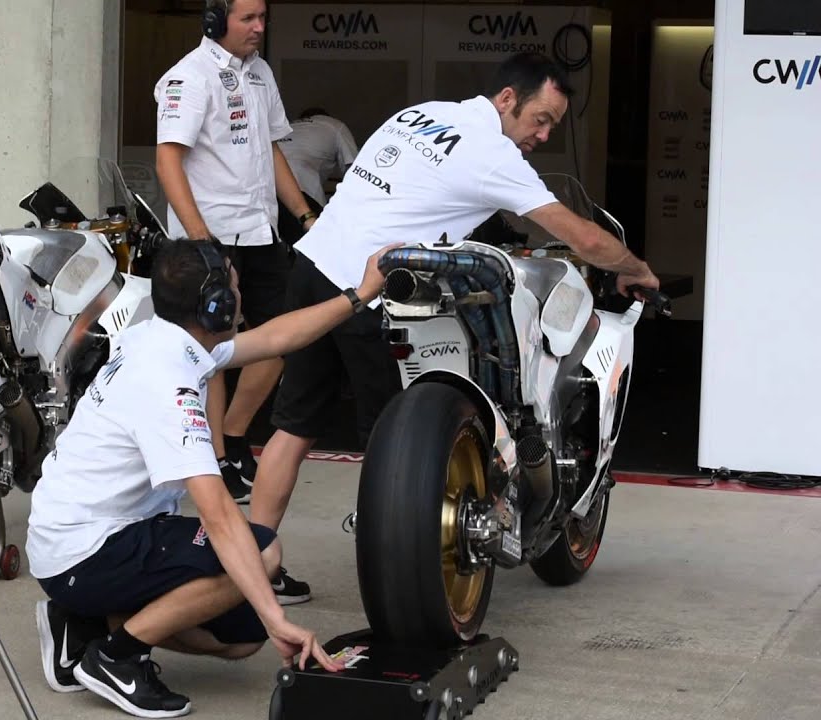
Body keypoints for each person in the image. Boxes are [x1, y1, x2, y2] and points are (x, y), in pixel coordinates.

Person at [251, 52, 662, 602]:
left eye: (553, 126)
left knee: (294, 425)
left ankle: (253, 563)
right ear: (508, 99)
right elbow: (584, 239)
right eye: (541, 118)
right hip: (372, 290)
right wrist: (636, 270)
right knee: (394, 444)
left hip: (313, 268)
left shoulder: (421, 113)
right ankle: (398, 583)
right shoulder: (491, 152)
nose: (542, 134)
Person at [26, 238, 394, 718]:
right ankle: (114, 659)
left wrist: (359, 293)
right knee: (262, 555)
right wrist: (278, 617)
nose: (241, 297)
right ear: (216, 305)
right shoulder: (167, 382)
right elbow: (219, 515)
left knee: (239, 641)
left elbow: (277, 338)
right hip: (88, 547)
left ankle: (81, 617)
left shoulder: (161, 336)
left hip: (77, 539)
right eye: (235, 287)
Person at [152, 0, 319, 540]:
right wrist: (200, 239)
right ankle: (218, 456)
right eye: (248, 18)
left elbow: (271, 151)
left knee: (280, 341)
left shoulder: (261, 72)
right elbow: (167, 159)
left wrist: (305, 215)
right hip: (211, 236)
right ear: (213, 19)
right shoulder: (187, 77)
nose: (259, 28)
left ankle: (231, 435)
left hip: (261, 230)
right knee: (211, 353)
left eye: (264, 17)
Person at [275, 108, 358, 246]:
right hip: (301, 192)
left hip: (267, 191)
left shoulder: (289, 126)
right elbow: (355, 172)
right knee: (320, 247)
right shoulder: (335, 125)